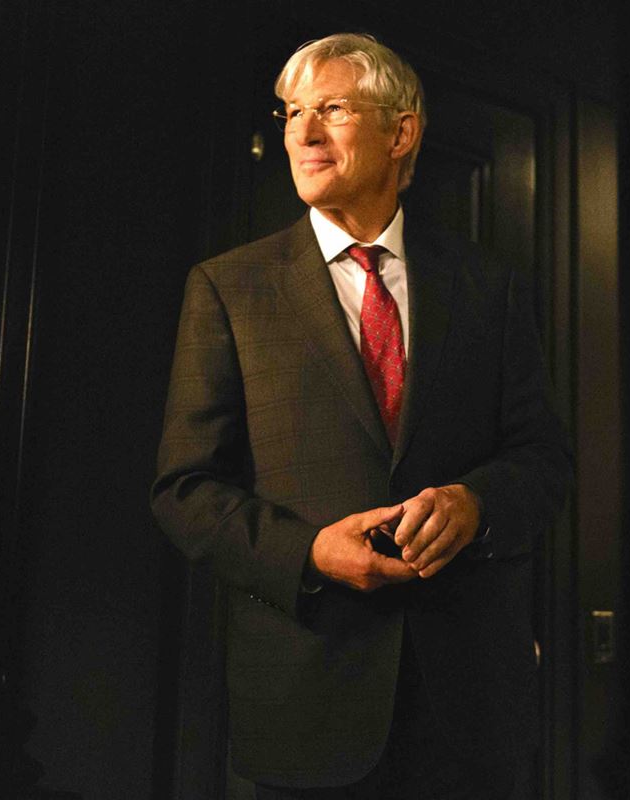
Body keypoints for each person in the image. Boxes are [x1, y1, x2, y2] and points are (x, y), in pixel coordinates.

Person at [151, 32, 570, 799]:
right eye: (292, 113)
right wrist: (310, 552)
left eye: (333, 109)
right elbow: (185, 491)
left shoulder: (489, 286)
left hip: (473, 713)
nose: (304, 134)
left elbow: (544, 460)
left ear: (401, 131)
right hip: (306, 706)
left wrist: (475, 505)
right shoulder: (228, 288)